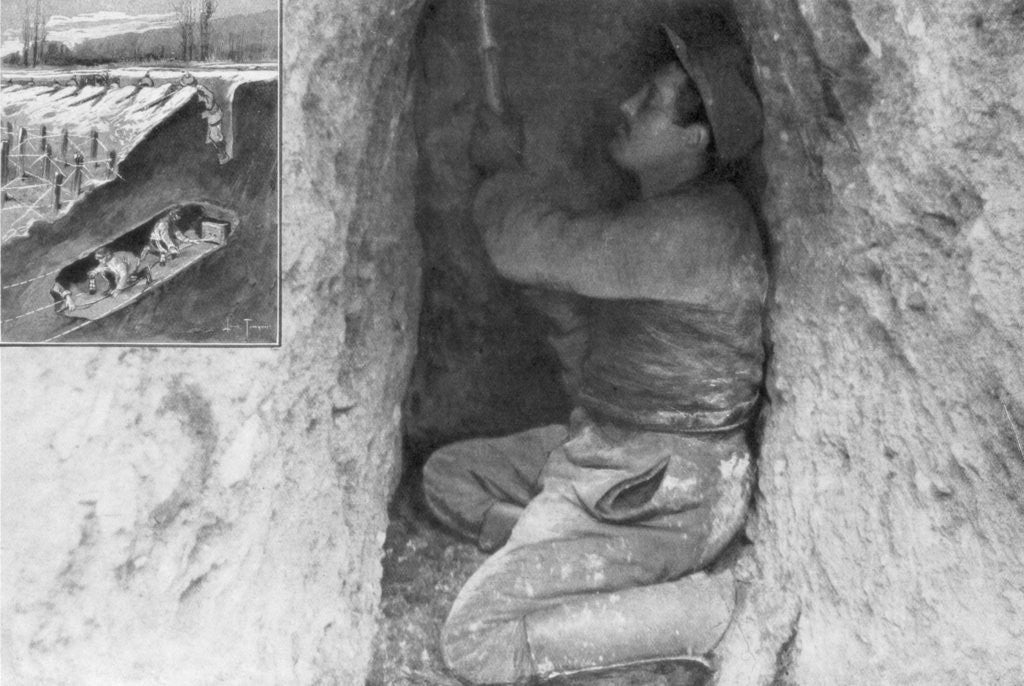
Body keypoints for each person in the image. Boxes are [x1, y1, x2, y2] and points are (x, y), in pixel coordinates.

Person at [422, 22, 767, 685]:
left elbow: (528, 248)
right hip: (612, 452)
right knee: (448, 476)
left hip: (667, 491)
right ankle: (559, 555)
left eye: (652, 103)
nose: (626, 108)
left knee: (476, 642)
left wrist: (500, 171)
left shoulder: (696, 232)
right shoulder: (672, 216)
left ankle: (709, 609)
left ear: (696, 139)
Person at [88, 246, 152, 297]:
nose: (100, 261)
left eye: (101, 258)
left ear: (108, 255)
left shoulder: (117, 261)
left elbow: (124, 274)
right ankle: (112, 287)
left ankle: (144, 272)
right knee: (104, 271)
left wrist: (119, 289)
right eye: (99, 259)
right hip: (122, 267)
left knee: (129, 279)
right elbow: (101, 265)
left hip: (131, 265)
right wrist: (95, 271)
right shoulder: (107, 260)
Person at [196, 85, 230, 164]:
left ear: (201, 95)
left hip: (215, 117)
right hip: (214, 116)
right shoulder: (204, 100)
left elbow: (210, 94)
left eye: (198, 96)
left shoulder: (209, 99)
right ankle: (221, 152)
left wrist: (202, 88)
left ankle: (223, 155)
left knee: (215, 137)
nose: (198, 98)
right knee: (214, 136)